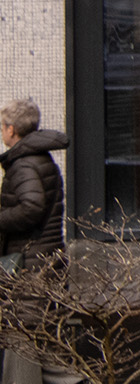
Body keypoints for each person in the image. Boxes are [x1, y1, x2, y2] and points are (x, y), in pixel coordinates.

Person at [0, 98, 70, 384]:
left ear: (11, 129)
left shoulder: (24, 163)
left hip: (30, 266)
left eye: (2, 127)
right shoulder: (39, 158)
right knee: (45, 347)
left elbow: (31, 207)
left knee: (23, 338)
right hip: (44, 261)